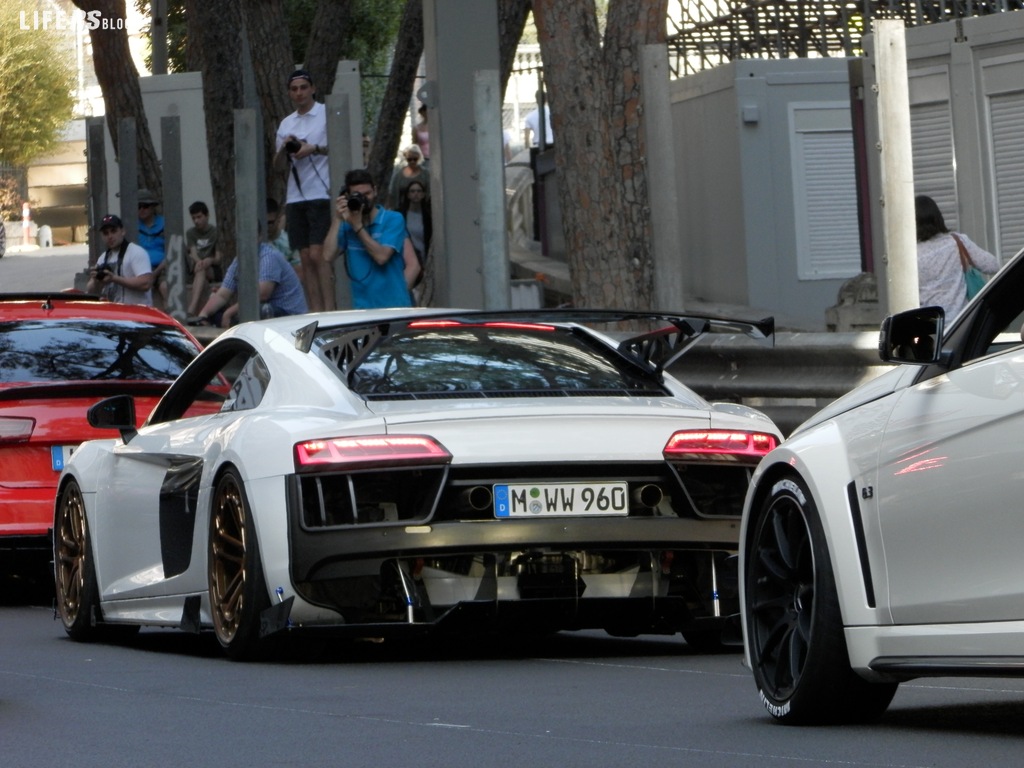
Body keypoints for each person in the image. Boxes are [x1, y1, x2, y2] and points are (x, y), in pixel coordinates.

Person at [275, 69, 334, 313]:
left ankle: (331, 311)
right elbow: (277, 167)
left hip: (321, 192)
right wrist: (285, 148)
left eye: (303, 87)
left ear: (312, 89)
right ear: (290, 93)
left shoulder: (325, 113)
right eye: (294, 89)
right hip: (296, 196)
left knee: (319, 255)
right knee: (305, 256)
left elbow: (339, 146)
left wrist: (313, 148)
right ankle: (315, 312)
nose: (299, 93)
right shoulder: (287, 123)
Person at [323, 168, 420, 309]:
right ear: (347, 196)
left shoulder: (392, 219)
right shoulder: (347, 225)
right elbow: (327, 256)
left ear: (375, 191)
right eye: (358, 195)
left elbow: (381, 257)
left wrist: (358, 228)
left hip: (395, 307)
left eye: (367, 194)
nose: (364, 199)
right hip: (363, 307)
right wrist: (338, 219)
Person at [191, 236, 308, 328]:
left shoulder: (269, 257)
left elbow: (262, 295)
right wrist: (203, 315)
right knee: (213, 306)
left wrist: (229, 313)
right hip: (260, 312)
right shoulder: (238, 261)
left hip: (289, 314)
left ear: (259, 237)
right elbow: (222, 295)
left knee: (263, 310)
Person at [915, 194, 1000, 320]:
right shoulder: (957, 242)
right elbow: (993, 265)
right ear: (938, 218)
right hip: (961, 325)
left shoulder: (912, 255)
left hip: (931, 327)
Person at [86, 214, 154, 305]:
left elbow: (145, 283)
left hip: (138, 314)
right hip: (116, 315)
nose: (110, 236)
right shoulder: (103, 258)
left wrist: (114, 278)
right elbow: (91, 291)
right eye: (106, 233)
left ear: (123, 231)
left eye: (113, 231)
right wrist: (95, 280)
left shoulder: (136, 252)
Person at [185, 200, 222, 317]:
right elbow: (193, 252)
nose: (196, 221)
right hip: (198, 267)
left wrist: (209, 261)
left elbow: (218, 258)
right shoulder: (190, 233)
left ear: (207, 216)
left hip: (212, 268)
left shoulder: (215, 232)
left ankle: (191, 309)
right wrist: (199, 262)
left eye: (199, 217)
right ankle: (195, 311)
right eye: (193, 218)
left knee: (201, 270)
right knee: (201, 274)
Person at [136, 188, 168, 309]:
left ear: (152, 207)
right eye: (139, 206)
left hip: (163, 267)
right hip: (140, 268)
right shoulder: (132, 225)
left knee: (165, 287)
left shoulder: (165, 223)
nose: (142, 210)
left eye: (145, 206)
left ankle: (170, 321)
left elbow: (170, 252)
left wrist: (156, 272)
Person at [398, 180, 431, 275]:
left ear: (424, 194)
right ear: (407, 195)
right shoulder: (400, 215)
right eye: (412, 191)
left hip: (424, 259)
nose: (416, 194)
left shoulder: (428, 217)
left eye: (419, 191)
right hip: (405, 259)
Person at [266, 197, 301, 279]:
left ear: (278, 219)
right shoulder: (255, 243)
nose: (267, 226)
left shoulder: (289, 242)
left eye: (270, 222)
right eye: (264, 222)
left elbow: (299, 273)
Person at [386, 145, 429, 210]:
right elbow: (393, 194)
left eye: (415, 159)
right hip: (402, 210)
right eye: (409, 159)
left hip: (423, 209)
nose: (412, 161)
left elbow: (429, 193)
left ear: (419, 158)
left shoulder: (425, 174)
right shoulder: (399, 175)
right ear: (406, 158)